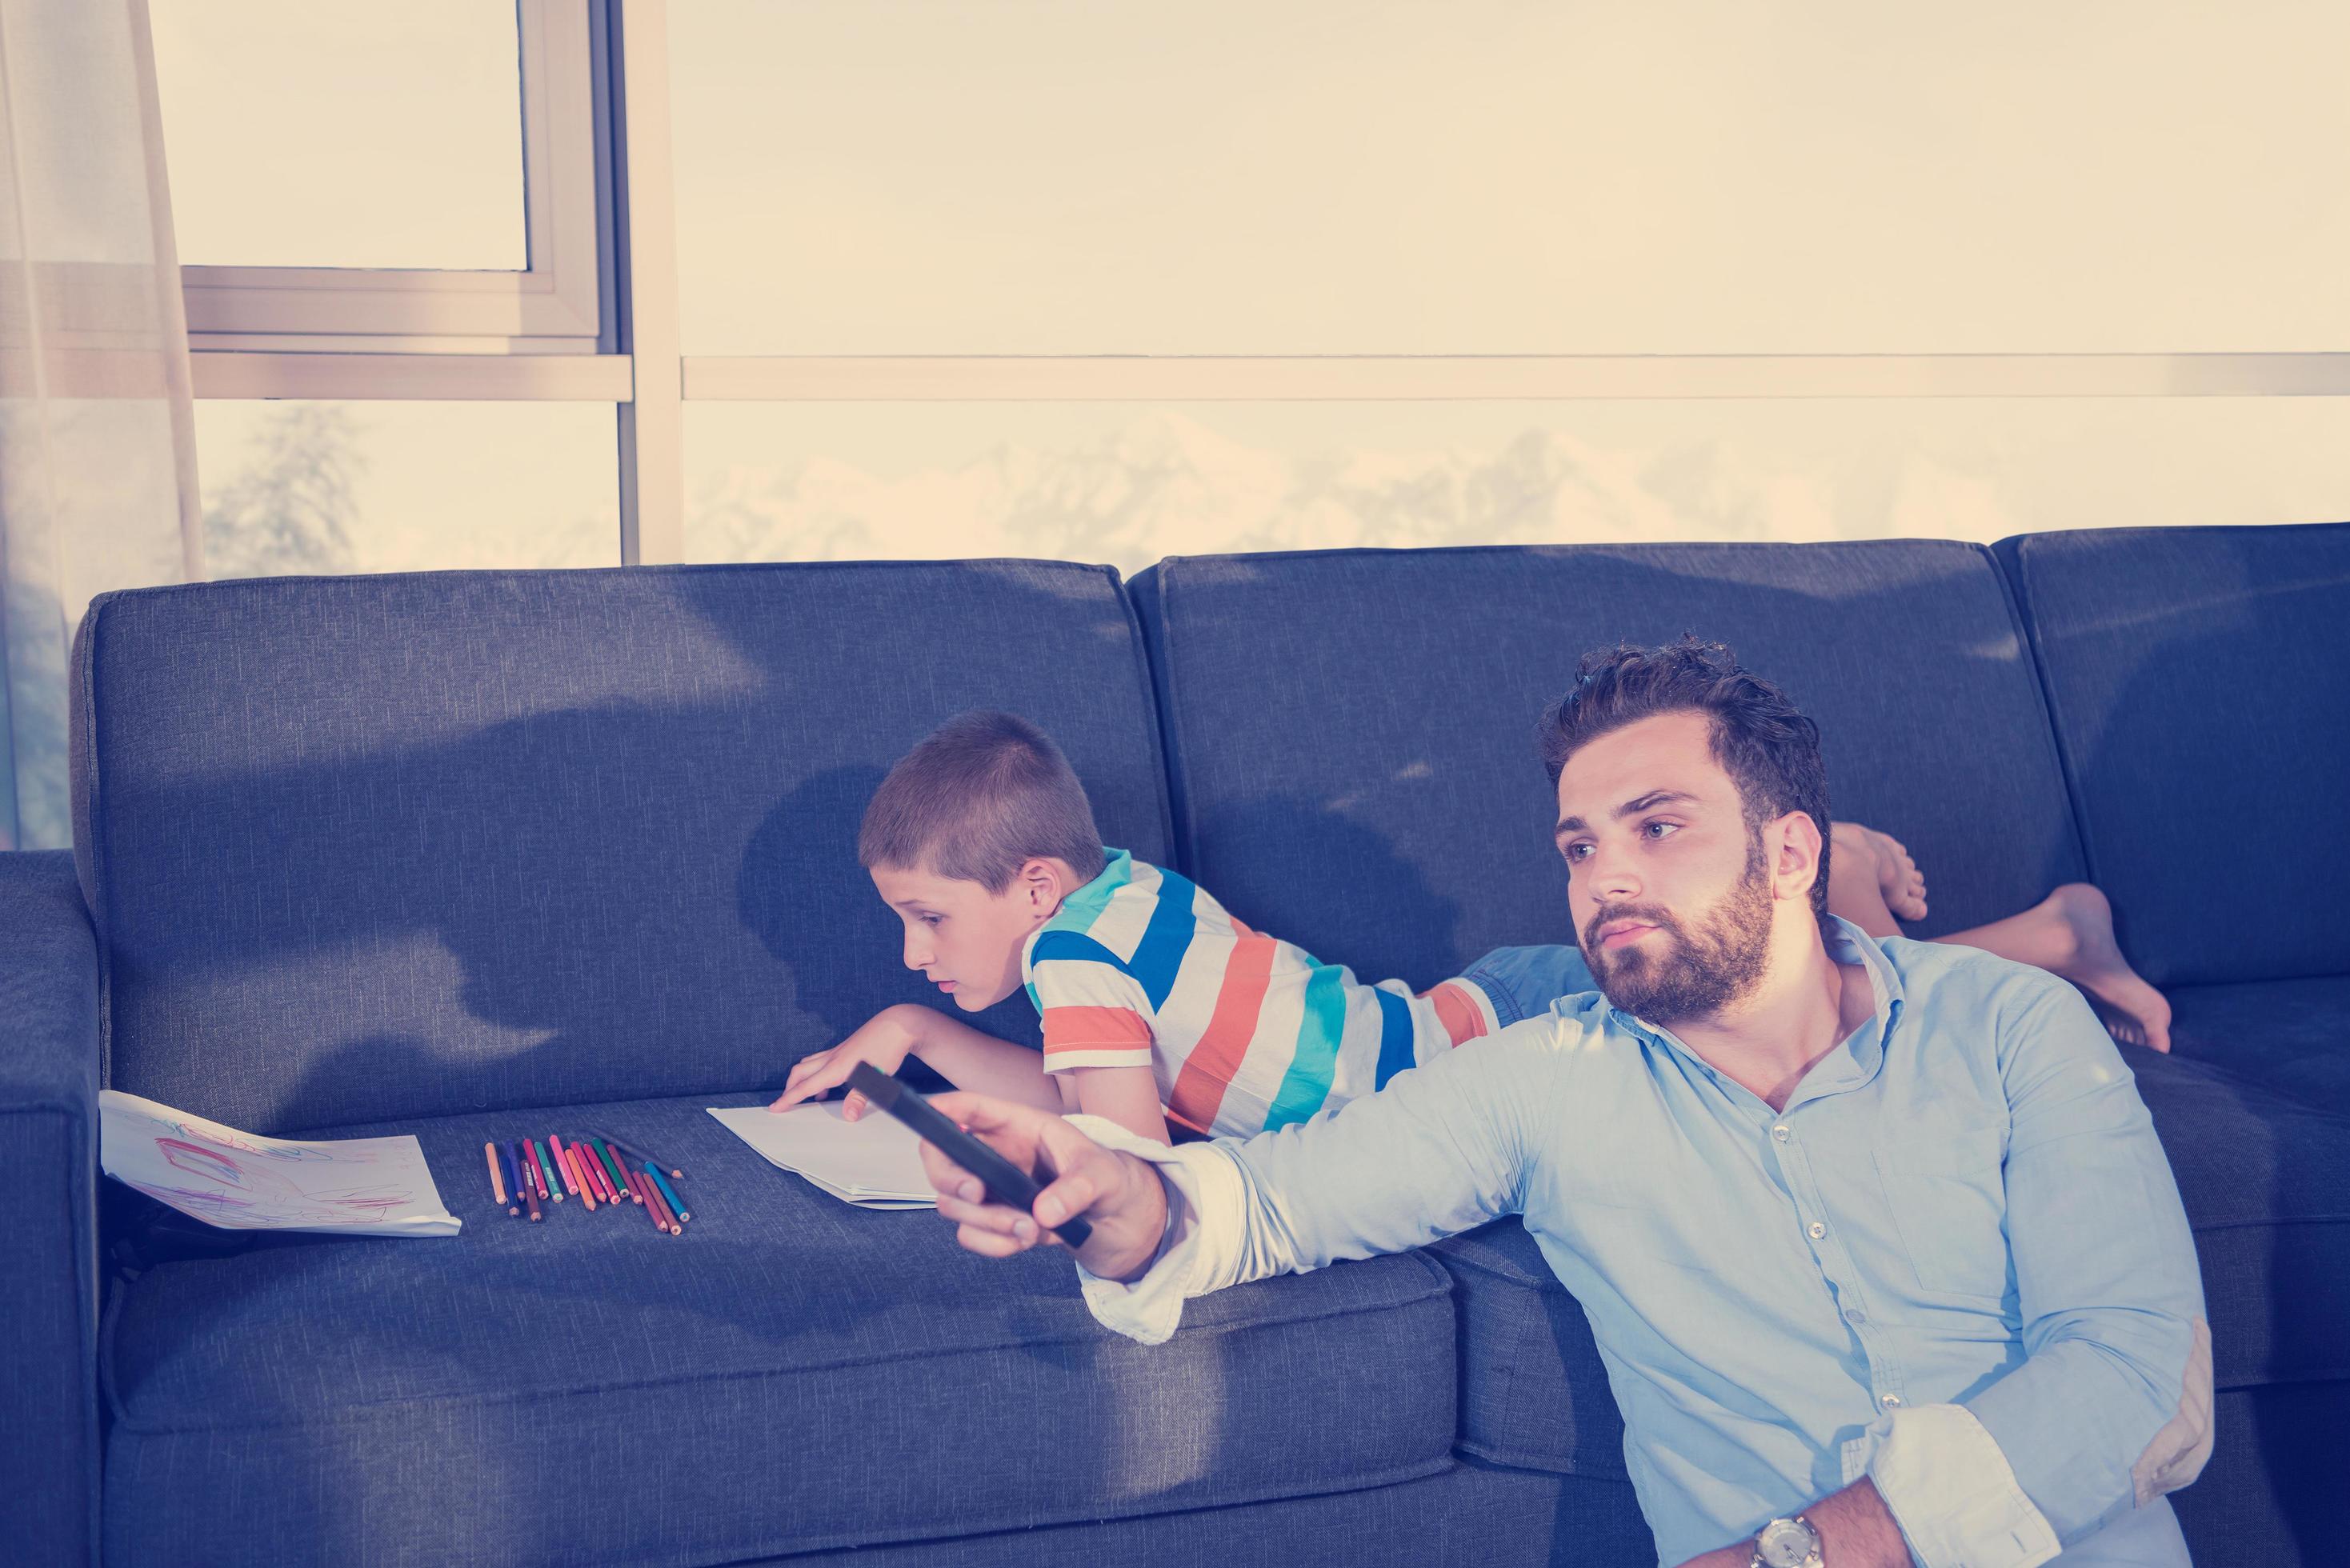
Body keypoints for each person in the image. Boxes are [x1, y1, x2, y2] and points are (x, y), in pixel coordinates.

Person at [912, 640, 2212, 1567]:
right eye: (1580, 846)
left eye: (1657, 828)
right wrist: (1110, 1195)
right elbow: (1251, 1206)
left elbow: (2139, 1378)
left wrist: (1803, 1558)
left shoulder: (2009, 1026)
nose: (1604, 879)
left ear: (1791, 849)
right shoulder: (1545, 1079)